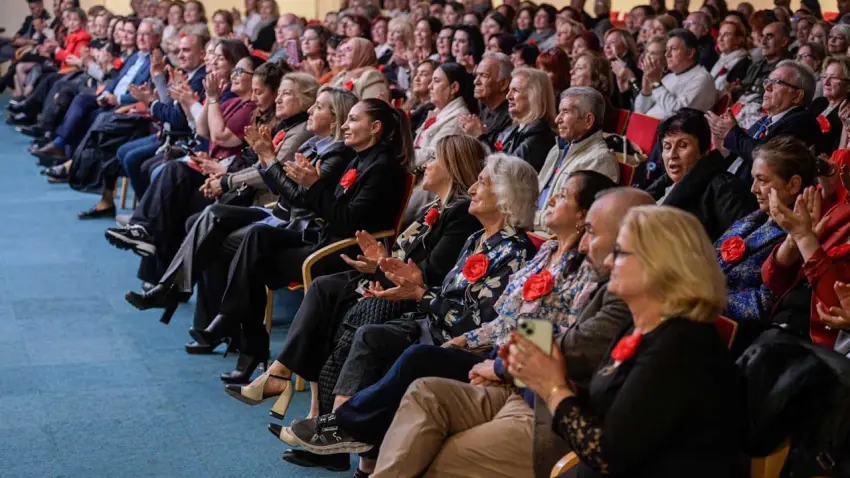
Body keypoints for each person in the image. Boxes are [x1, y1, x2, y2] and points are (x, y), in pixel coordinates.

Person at [282, 170, 619, 475]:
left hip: (519, 372)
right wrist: (466, 339)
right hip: (489, 348)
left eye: (562, 196)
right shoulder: (544, 252)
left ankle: (344, 428)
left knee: (414, 356)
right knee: (373, 333)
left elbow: (553, 334)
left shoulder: (583, 271)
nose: (553, 199)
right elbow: (507, 317)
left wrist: (493, 361)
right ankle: (348, 440)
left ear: (583, 217)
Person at [235, 135, 485, 473]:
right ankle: (312, 412)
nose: (425, 165)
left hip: (412, 299)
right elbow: (406, 259)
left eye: (434, 160)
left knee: (342, 309)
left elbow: (430, 274)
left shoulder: (461, 218)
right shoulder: (435, 208)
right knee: (326, 292)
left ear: (453, 168)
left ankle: (309, 408)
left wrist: (383, 266)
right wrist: (378, 264)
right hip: (396, 285)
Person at [369, 187, 653, 478]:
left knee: (450, 452)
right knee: (425, 393)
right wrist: (485, 349)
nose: (583, 245)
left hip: (549, 410)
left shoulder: (612, 289)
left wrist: (500, 365)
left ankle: (347, 428)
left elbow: (569, 345)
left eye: (592, 232)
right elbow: (519, 318)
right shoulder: (549, 251)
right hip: (521, 385)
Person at [506, 205, 747, 478]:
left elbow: (609, 455)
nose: (608, 262)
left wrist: (553, 388)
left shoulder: (682, 347)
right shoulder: (640, 326)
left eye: (619, 253)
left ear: (658, 264)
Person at [187, 99, 413, 383]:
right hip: (323, 236)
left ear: (375, 127)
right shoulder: (360, 157)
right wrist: (305, 182)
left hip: (345, 252)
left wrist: (314, 185)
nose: (344, 125)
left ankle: (246, 345)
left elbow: (348, 221)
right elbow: (319, 204)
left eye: (353, 120)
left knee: (253, 265)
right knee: (257, 238)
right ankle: (234, 326)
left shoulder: (383, 167)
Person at [717, 137, 821, 330]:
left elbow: (764, 302)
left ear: (792, 185)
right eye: (754, 178)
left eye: (762, 180)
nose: (753, 189)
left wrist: (704, 300)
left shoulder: (794, 239)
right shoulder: (757, 216)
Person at [32, 17, 160, 163]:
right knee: (80, 99)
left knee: (91, 114)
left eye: (146, 34)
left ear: (157, 38)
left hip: (125, 106)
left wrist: (117, 99)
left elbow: (148, 95)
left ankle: (68, 158)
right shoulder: (135, 56)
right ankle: (60, 146)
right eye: (139, 34)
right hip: (108, 96)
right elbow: (116, 80)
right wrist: (106, 93)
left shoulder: (157, 62)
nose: (141, 38)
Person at [647, 108, 757, 241]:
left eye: (682, 145)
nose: (672, 155)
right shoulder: (664, 185)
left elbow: (743, 242)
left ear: (704, 152)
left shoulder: (724, 188)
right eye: (667, 147)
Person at [707, 60, 822, 187]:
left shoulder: (801, 122)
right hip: (731, 186)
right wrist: (721, 146)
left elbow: (766, 158)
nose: (767, 87)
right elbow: (743, 152)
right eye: (768, 81)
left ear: (797, 96)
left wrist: (731, 133)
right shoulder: (765, 120)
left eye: (777, 82)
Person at [763, 182, 850, 349]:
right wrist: (792, 242)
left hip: (817, 350)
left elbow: (835, 309)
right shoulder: (841, 212)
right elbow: (773, 280)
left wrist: (804, 238)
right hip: (777, 324)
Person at [535, 87, 619, 234]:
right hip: (532, 227)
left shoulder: (599, 160)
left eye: (565, 112)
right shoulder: (557, 149)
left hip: (547, 238)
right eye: (559, 111)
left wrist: (526, 218)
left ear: (588, 120)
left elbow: (571, 222)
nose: (557, 119)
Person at [634, 29, 717, 119]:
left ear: (690, 53)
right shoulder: (669, 77)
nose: (667, 54)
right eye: (666, 49)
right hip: (646, 126)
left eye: (673, 49)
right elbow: (639, 111)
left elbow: (677, 114)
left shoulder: (702, 79)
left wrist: (656, 83)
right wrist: (646, 91)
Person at [496, 67, 557, 171]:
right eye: (509, 90)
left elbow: (506, 171)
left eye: (515, 90)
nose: (508, 96)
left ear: (535, 96)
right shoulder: (511, 130)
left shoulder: (539, 136)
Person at [459, 52, 513, 149]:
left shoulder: (512, 117)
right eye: (476, 75)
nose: (476, 81)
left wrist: (478, 135)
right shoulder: (485, 109)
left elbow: (502, 158)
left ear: (503, 84)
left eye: (484, 76)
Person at [571, 51, 622, 131]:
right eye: (573, 68)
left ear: (596, 78)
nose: (571, 72)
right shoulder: (578, 100)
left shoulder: (598, 105)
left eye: (579, 68)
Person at [810, 57, 850, 154]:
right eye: (825, 76)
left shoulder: (847, 111)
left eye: (833, 77)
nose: (826, 82)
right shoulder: (819, 103)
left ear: (848, 85)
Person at [711, 20, 751, 92]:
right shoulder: (722, 58)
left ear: (739, 40)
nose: (720, 39)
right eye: (720, 34)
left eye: (726, 35)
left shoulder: (743, 63)